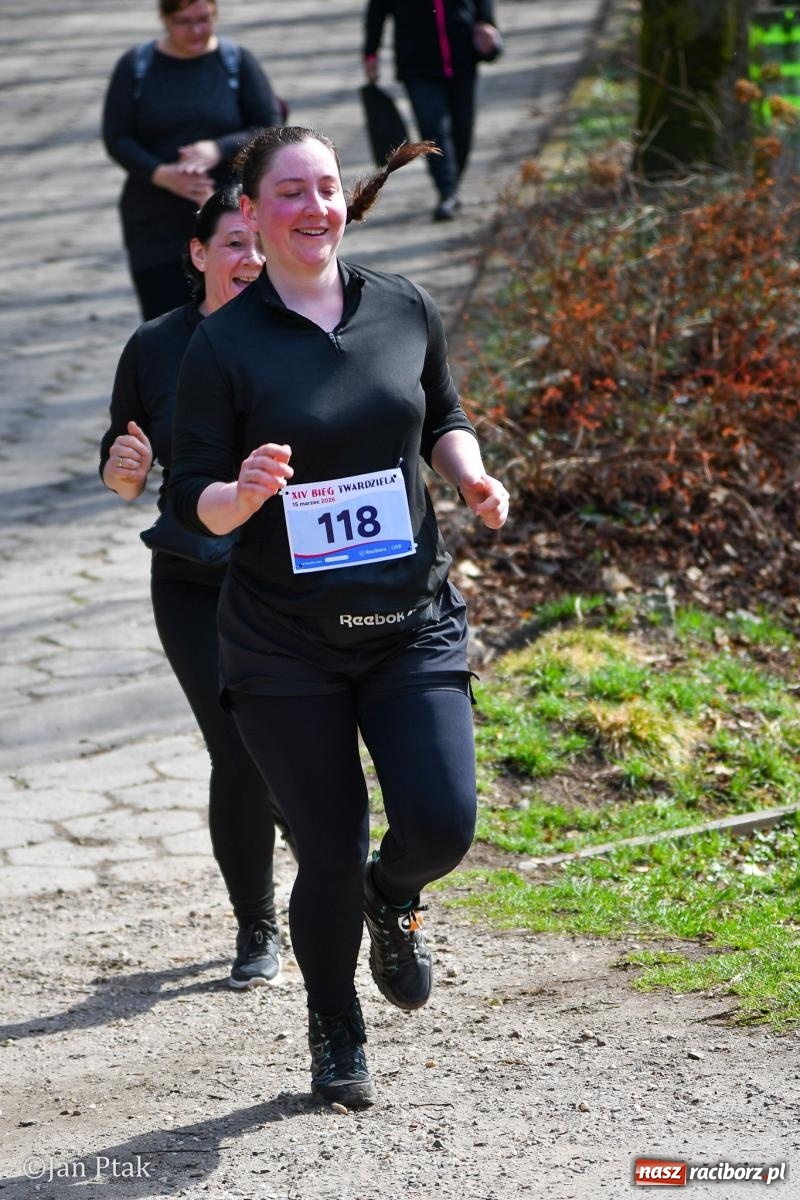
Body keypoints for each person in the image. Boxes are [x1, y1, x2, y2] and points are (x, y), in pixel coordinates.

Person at [168, 125, 509, 1109]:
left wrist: (469, 473)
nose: (313, 208)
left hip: (409, 621)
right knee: (324, 846)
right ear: (250, 213)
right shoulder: (220, 345)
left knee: (442, 823)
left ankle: (392, 894)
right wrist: (239, 495)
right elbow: (190, 489)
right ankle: (334, 1024)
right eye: (289, 193)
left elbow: (439, 413)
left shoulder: (400, 307)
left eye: (324, 188)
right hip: (282, 642)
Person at [99, 187, 289, 991]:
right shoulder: (154, 347)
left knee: (299, 745)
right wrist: (124, 472)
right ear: (198, 254)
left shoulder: (300, 334)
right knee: (238, 747)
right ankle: (257, 922)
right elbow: (121, 462)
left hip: (288, 578)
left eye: (259, 244)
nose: (250, 259)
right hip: (190, 578)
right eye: (234, 245)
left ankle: (356, 878)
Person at [102, 0, 284, 320]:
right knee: (169, 324)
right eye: (183, 22)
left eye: (205, 19)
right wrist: (161, 173)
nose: (196, 30)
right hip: (155, 223)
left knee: (238, 320)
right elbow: (117, 137)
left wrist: (218, 148)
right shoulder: (137, 66)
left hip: (229, 221)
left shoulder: (236, 62)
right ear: (164, 19)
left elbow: (269, 127)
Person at [363, 0, 502, 221]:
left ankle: (452, 183)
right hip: (417, 63)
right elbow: (377, 9)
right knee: (432, 127)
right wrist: (371, 52)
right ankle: (446, 191)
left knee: (462, 128)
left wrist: (486, 22)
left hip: (463, 56)